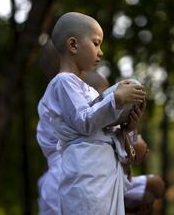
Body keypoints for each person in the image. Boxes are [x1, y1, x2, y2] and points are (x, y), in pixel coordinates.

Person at [37, 39, 164, 215]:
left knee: (152, 189)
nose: (99, 52)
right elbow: (93, 126)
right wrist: (120, 106)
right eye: (93, 44)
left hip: (92, 172)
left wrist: (130, 131)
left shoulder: (82, 90)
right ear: (71, 51)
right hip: (80, 176)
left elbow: (108, 132)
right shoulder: (65, 92)